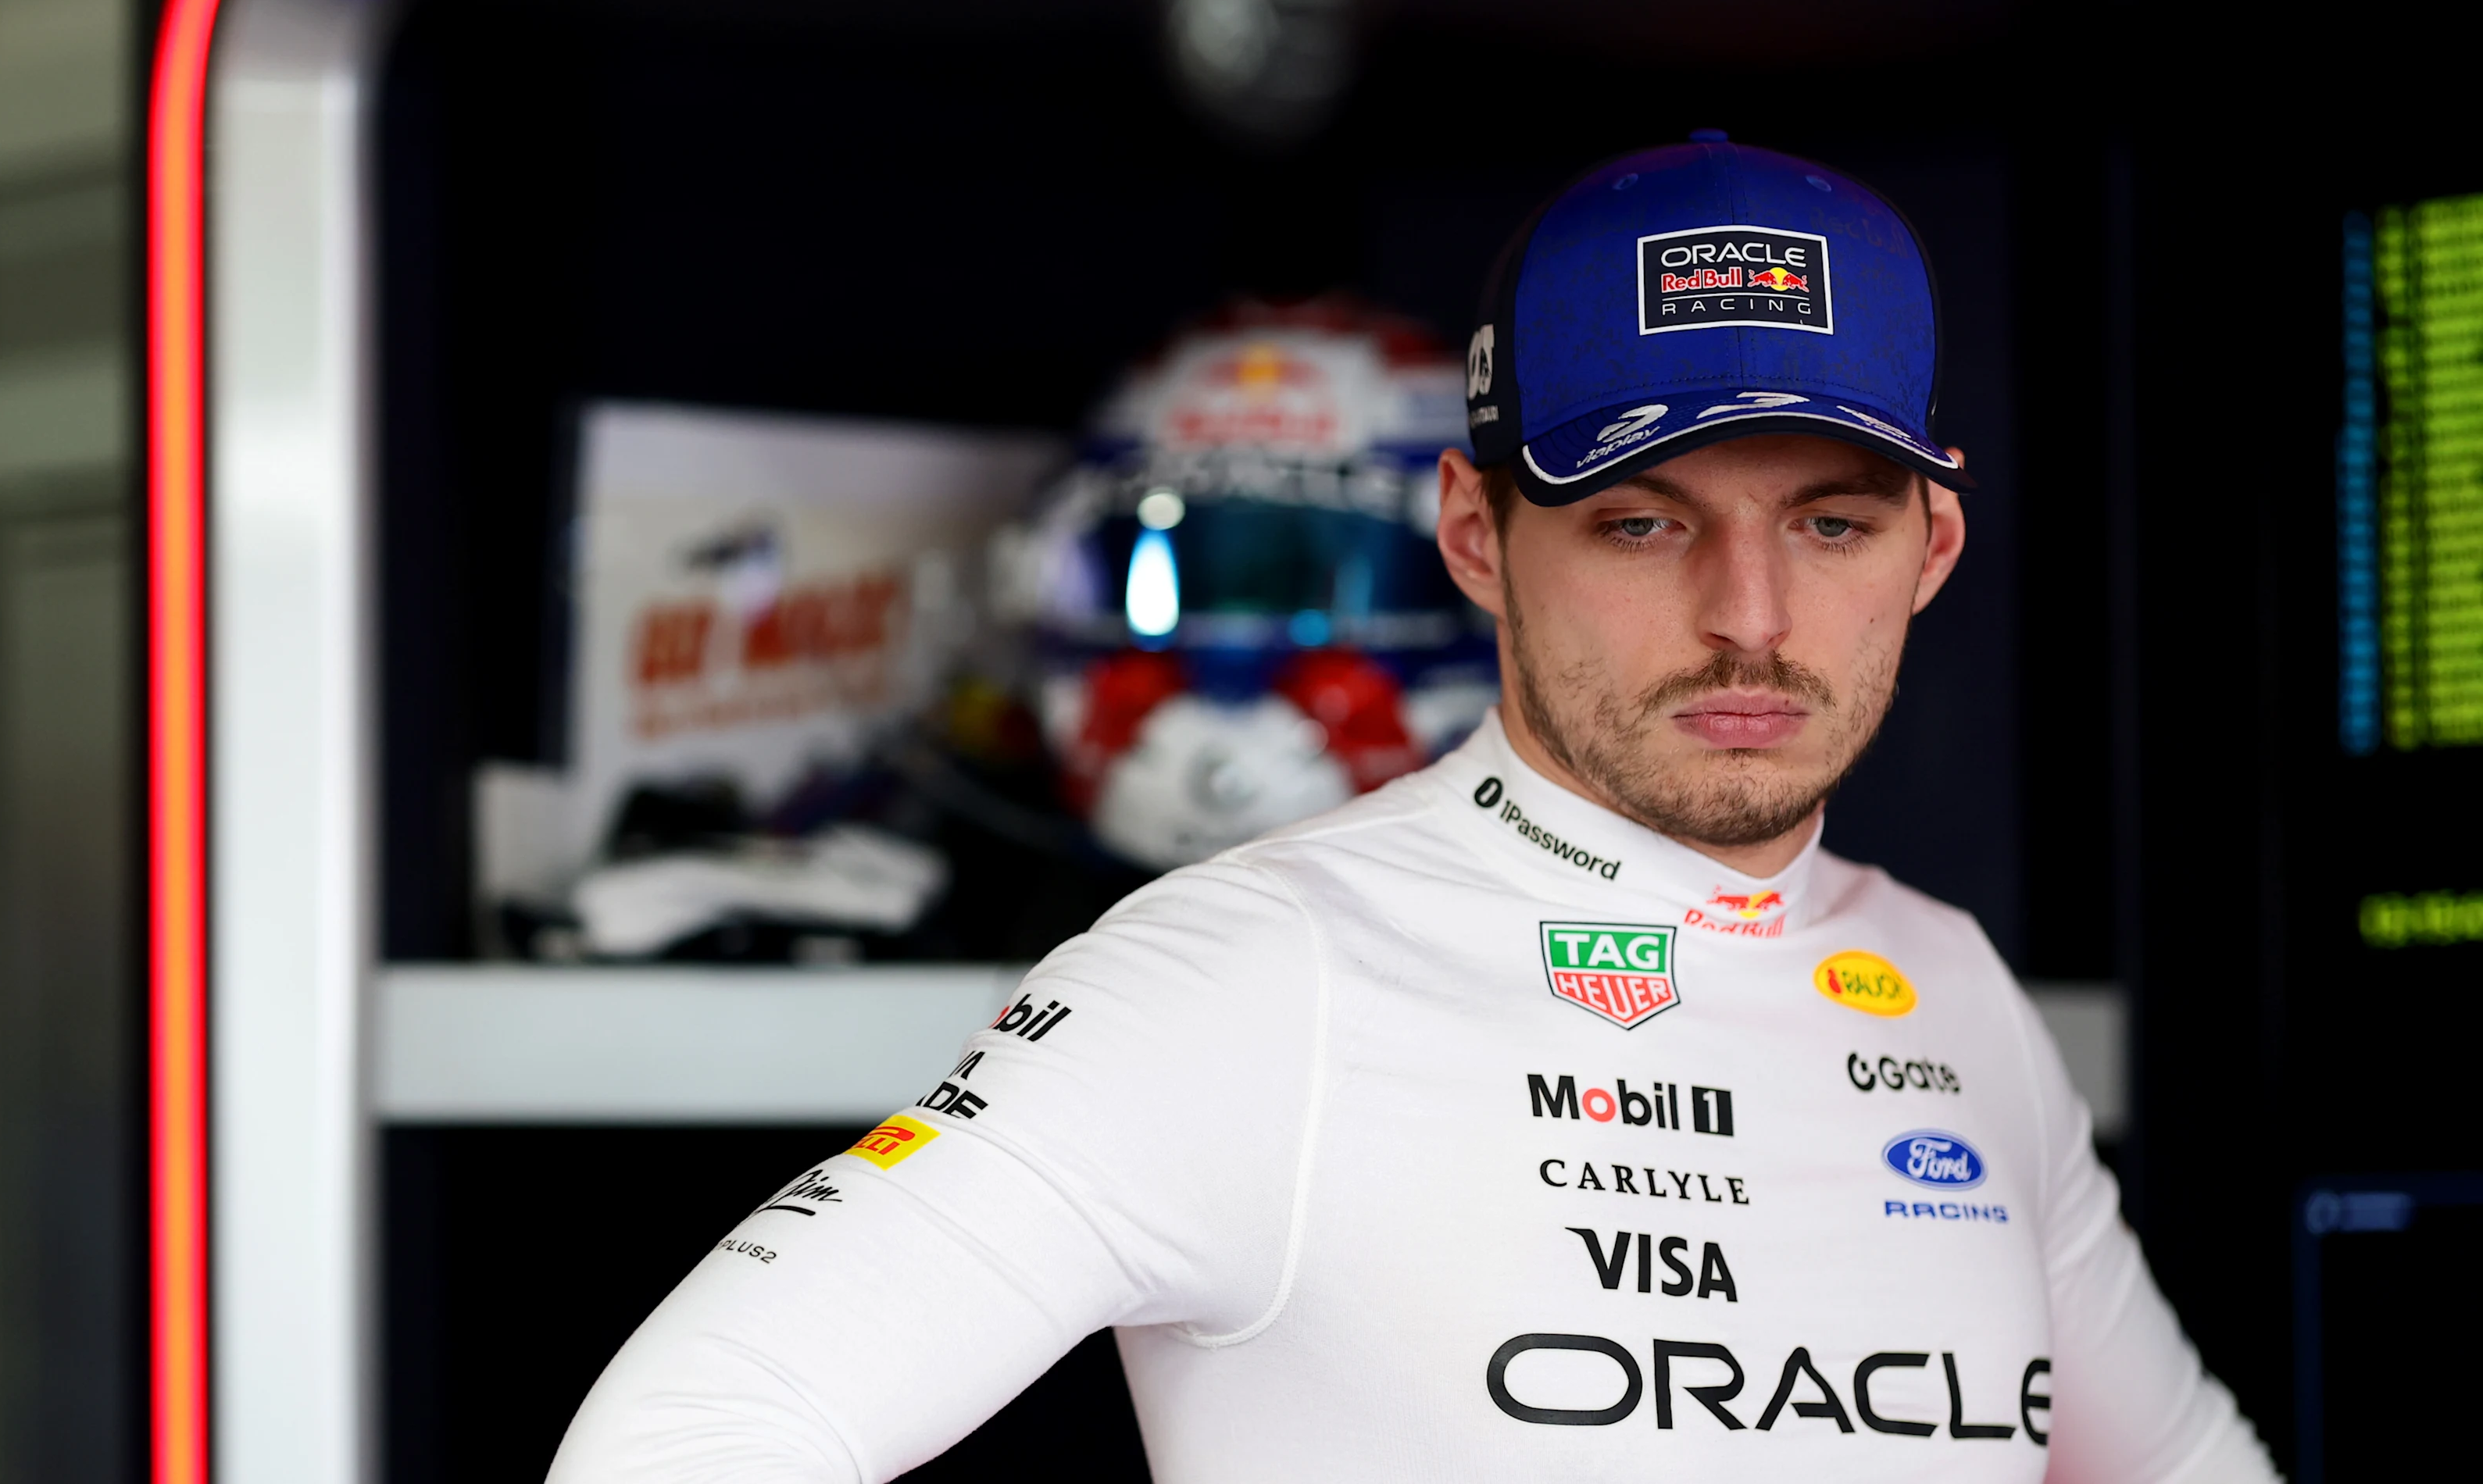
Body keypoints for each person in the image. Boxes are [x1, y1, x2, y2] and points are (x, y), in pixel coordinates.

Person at [547, 134, 2278, 1482]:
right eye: (1643, 520)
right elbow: (695, 1432)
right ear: (1473, 534)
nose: (1750, 613)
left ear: (1932, 549)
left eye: (1829, 523)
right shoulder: (1253, 966)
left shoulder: (1953, 987)